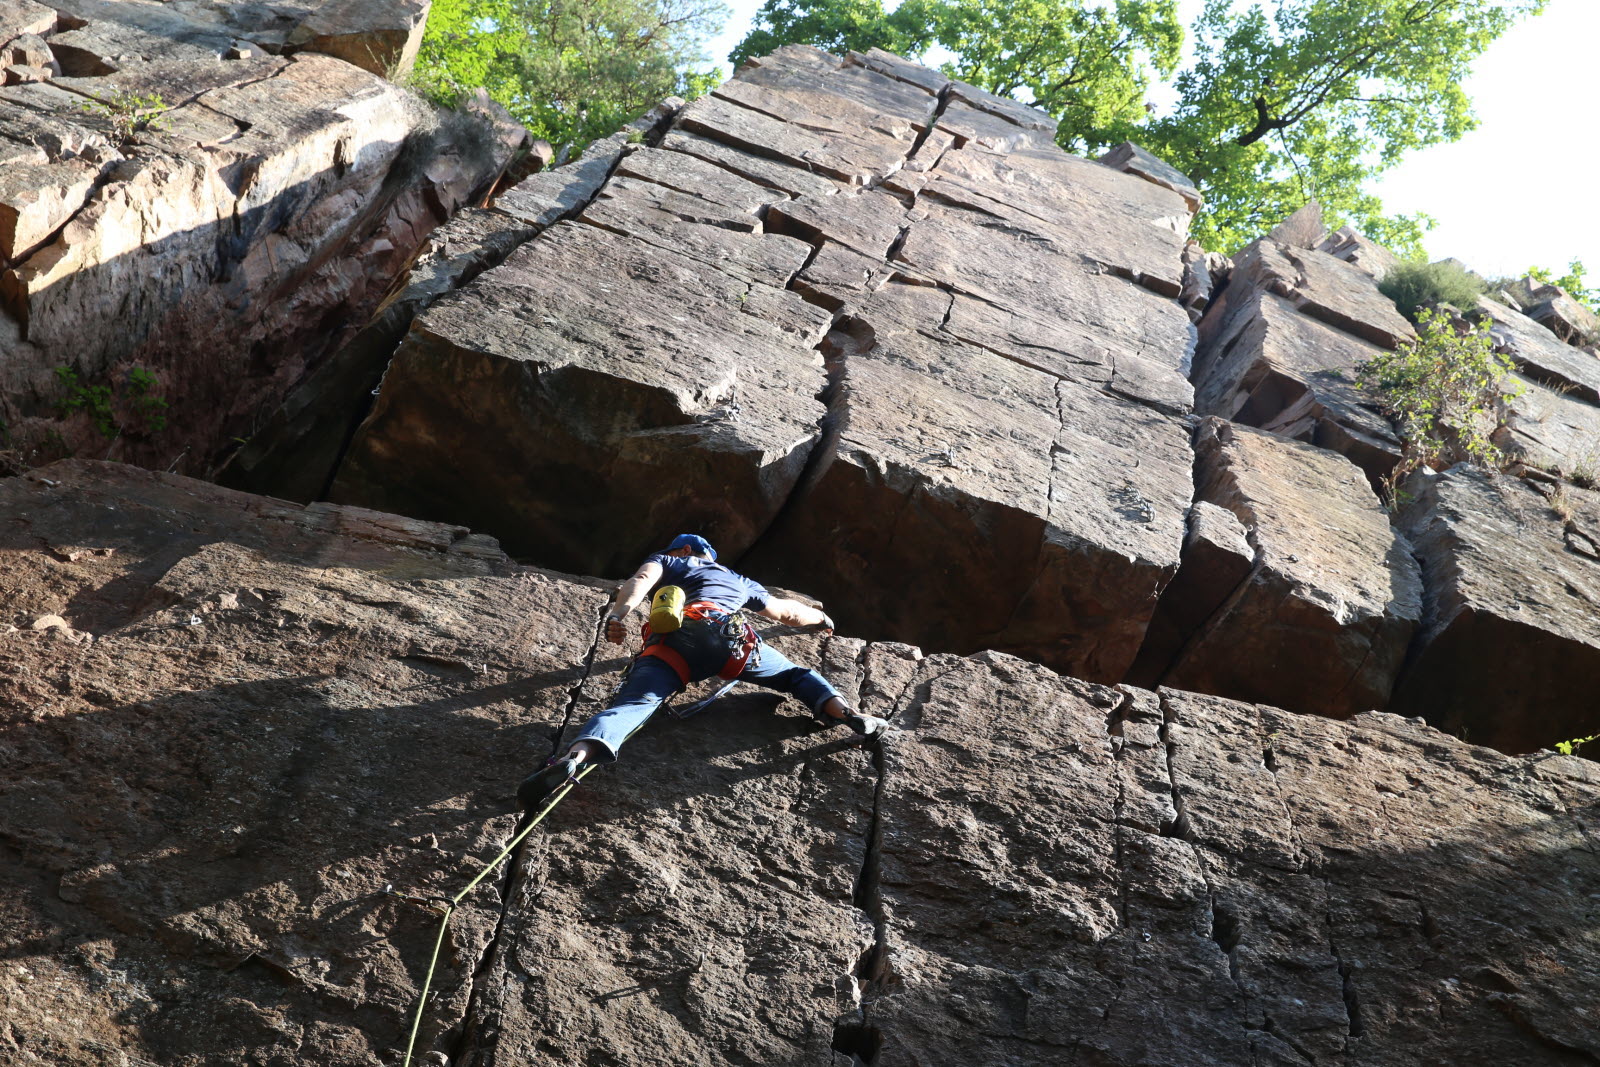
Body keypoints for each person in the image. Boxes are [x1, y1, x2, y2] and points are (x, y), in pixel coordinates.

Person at [518, 533, 888, 810]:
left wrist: (619, 615)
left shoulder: (671, 561)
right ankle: (848, 713)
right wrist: (822, 617)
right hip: (729, 641)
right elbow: (786, 614)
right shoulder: (739, 581)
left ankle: (576, 757)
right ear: (710, 556)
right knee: (794, 675)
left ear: (682, 550)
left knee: (632, 705)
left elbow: (642, 581)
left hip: (670, 648)